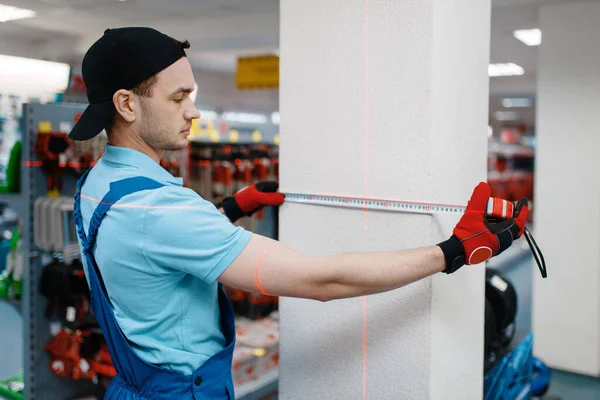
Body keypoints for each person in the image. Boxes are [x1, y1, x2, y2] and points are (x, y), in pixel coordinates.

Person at [70, 27, 529, 400]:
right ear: (127, 104)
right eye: (178, 97)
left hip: (130, 388)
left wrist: (228, 209)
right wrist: (452, 250)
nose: (194, 112)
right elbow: (320, 281)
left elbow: (151, 250)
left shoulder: (97, 186)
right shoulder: (160, 208)